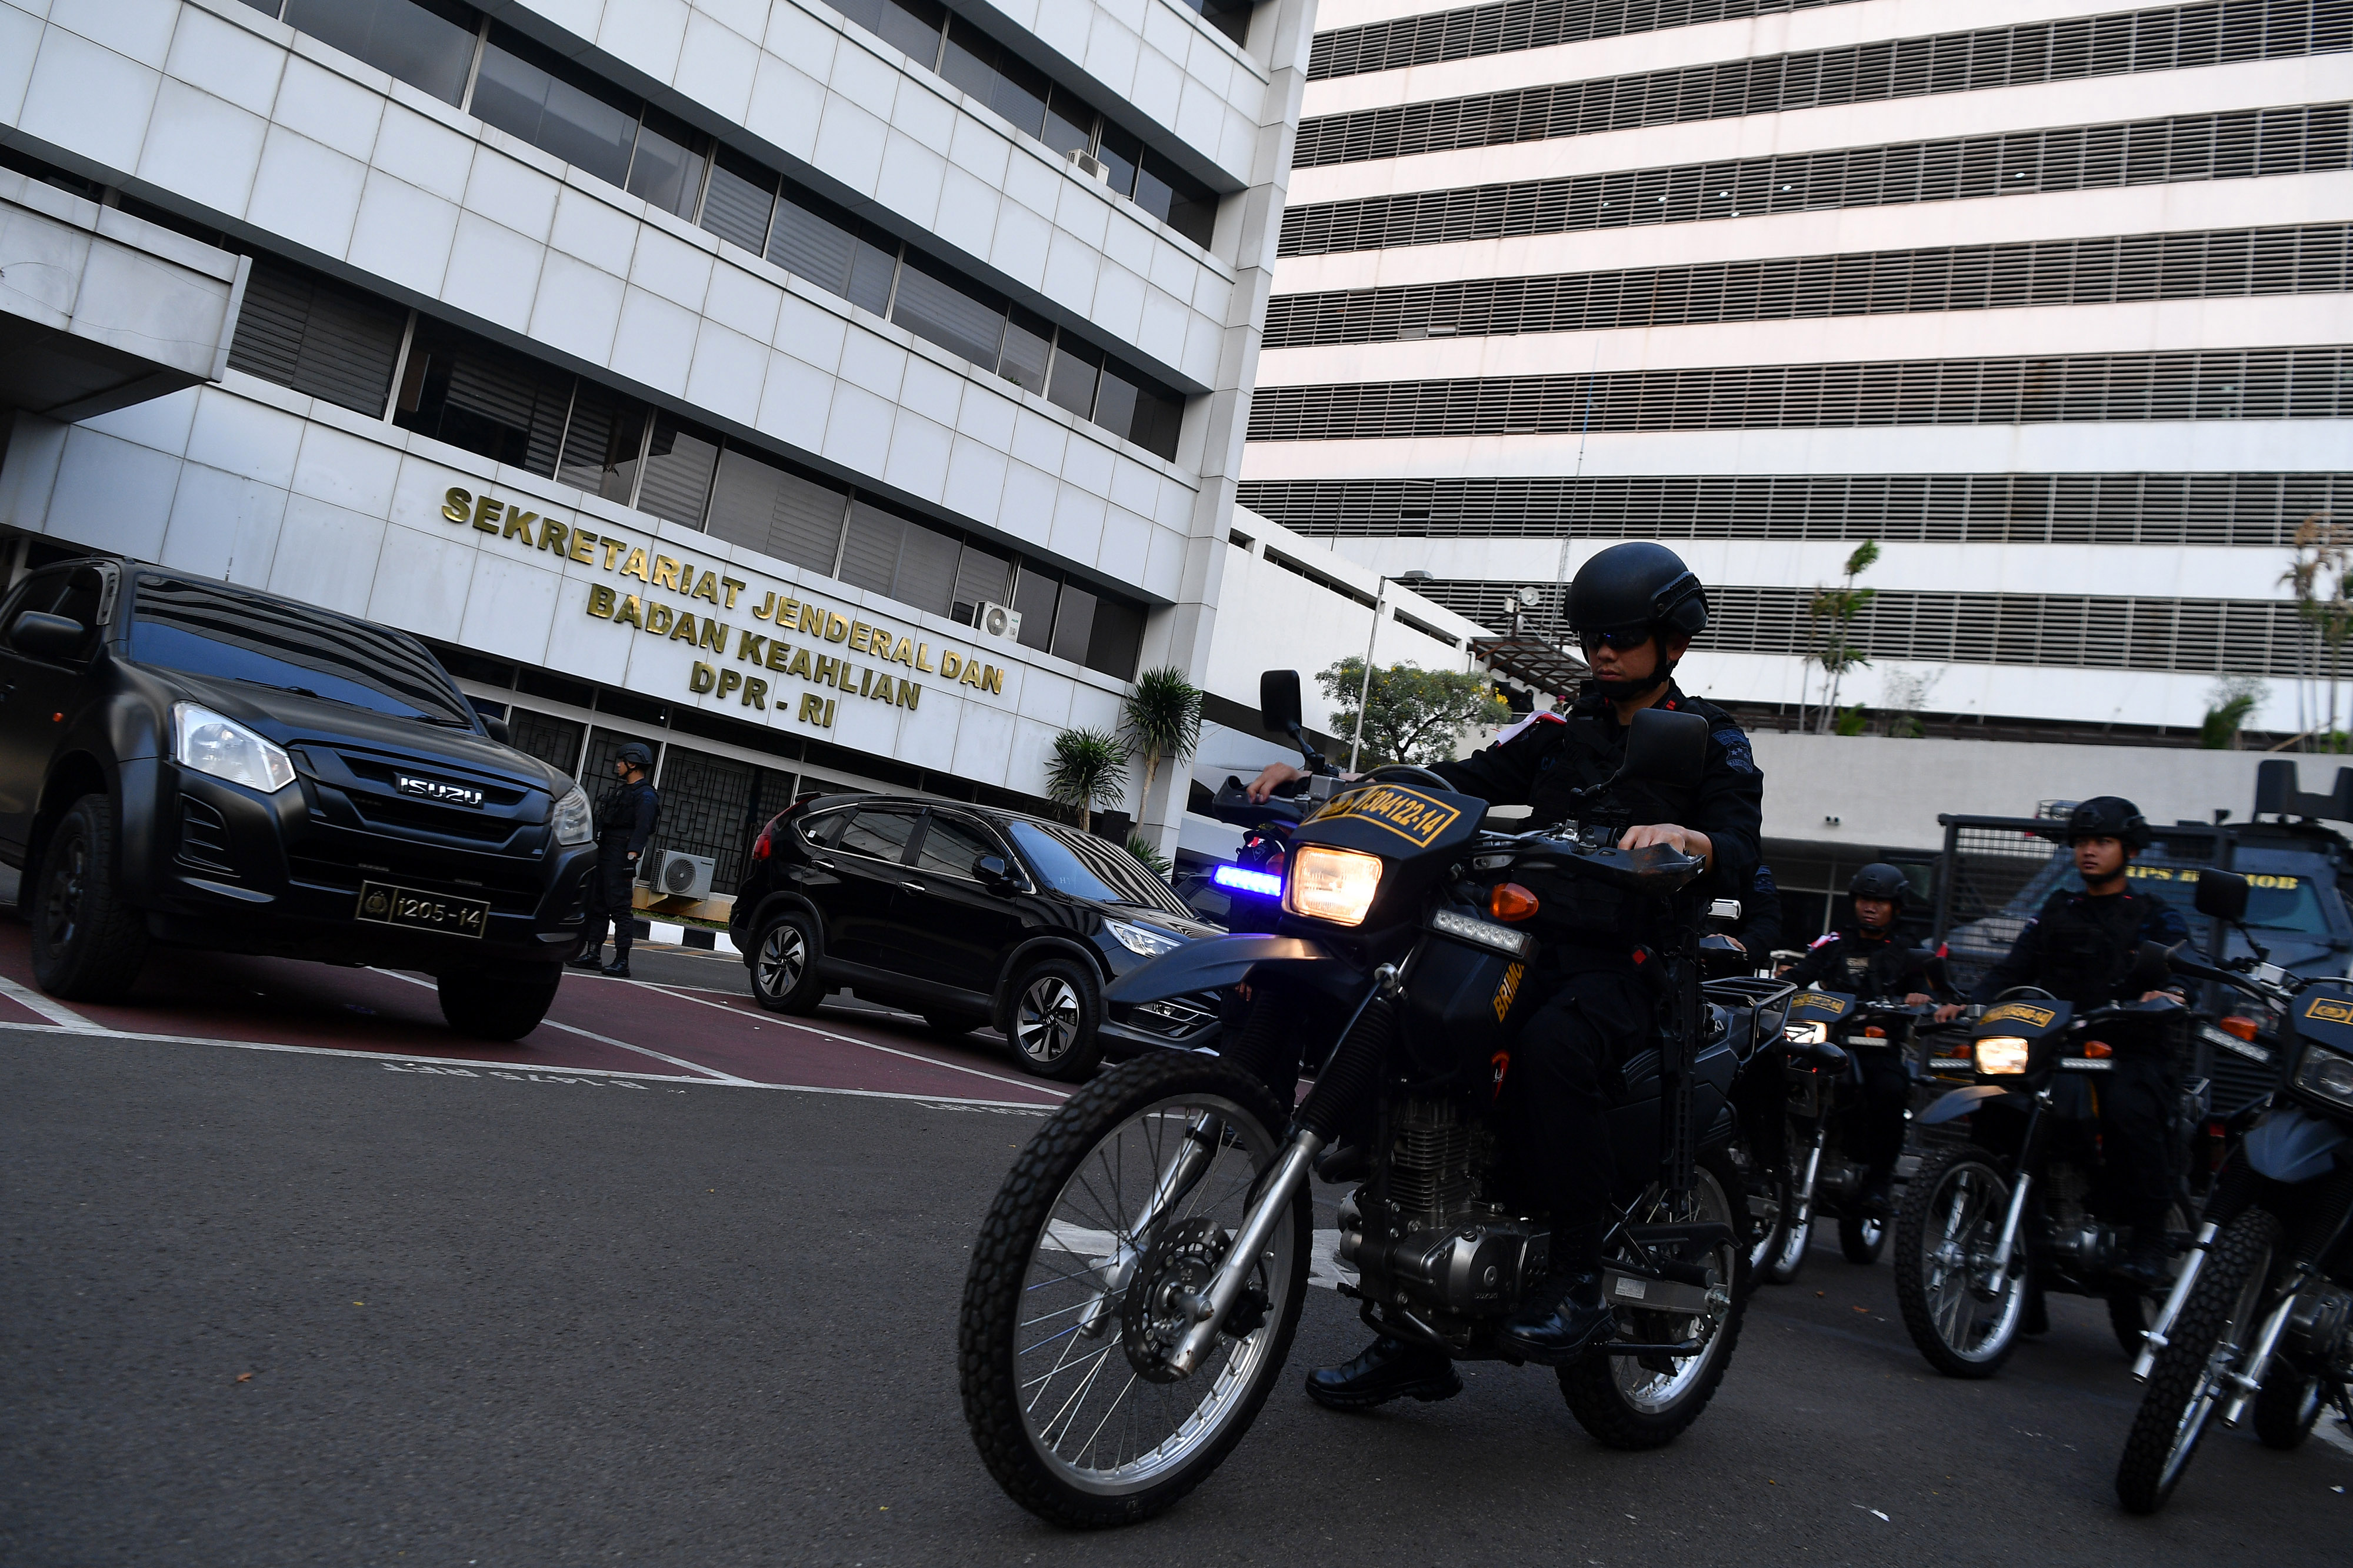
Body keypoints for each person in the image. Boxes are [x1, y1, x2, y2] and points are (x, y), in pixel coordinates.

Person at [1245, 541, 1763, 1405]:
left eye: (1624, 635)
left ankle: (1576, 1272)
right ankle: (1411, 1331)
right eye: (1593, 633)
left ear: (1671, 640)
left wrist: (1690, 841)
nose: (1604, 651)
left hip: (1630, 964)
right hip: (1526, 942)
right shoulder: (1561, 726)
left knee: (1555, 1048)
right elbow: (1456, 781)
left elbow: (1739, 851)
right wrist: (1336, 782)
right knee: (1412, 1017)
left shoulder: (1709, 738)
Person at [1934, 796, 2189, 1287]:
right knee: (1998, 1110)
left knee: (2131, 1112)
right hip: (2053, 1045)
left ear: (2129, 850)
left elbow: (2180, 965)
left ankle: (2150, 1238)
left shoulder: (2154, 915)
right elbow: (2014, 968)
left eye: (2103, 842)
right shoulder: (2055, 909)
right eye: (2082, 843)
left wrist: (2172, 991)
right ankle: (2022, 1259)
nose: (2089, 851)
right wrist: (1968, 1002)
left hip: (2124, 1048)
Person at [1779, 862, 1949, 1217]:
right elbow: (1801, 973)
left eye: (1880, 901)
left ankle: (1879, 1181)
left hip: (1877, 1046)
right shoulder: (1835, 942)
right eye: (1864, 899)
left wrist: (1918, 998)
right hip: (1829, 1041)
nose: (1870, 907)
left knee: (1889, 1089)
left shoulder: (1908, 949)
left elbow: (1924, 988)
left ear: (1896, 906)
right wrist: (1779, 986)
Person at [568, 743, 660, 979]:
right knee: (598, 903)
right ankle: (593, 953)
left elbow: (642, 829)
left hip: (621, 854)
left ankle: (622, 960)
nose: (617, 765)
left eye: (621, 761)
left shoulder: (646, 795)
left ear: (633, 764)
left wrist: (632, 857)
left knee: (620, 908)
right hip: (606, 850)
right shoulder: (622, 791)